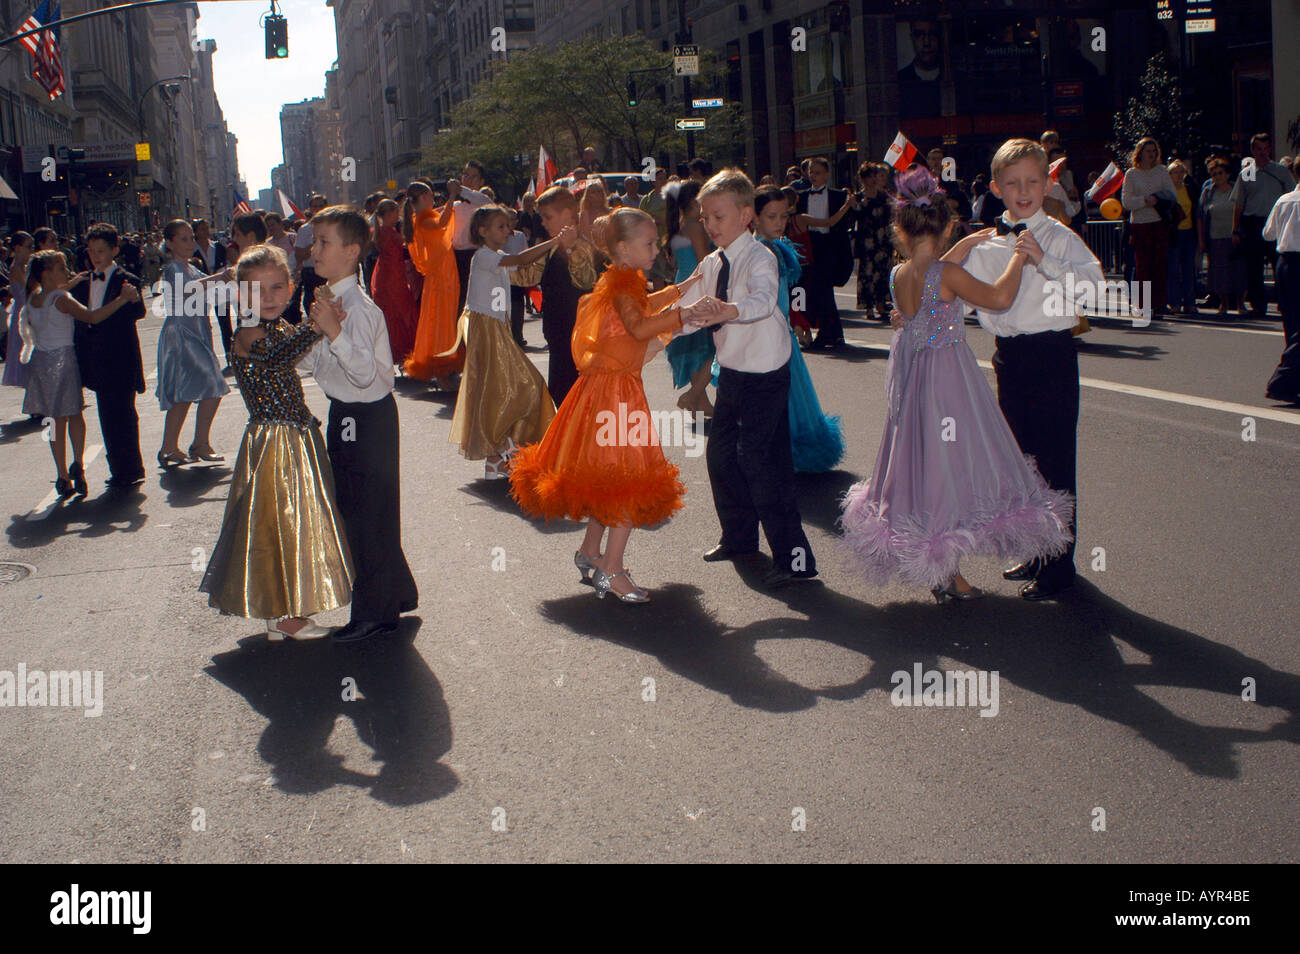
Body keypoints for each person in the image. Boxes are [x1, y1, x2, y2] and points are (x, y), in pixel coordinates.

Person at [839, 167, 1073, 600]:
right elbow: (999, 297)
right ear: (946, 224)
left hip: (913, 380)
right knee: (953, 466)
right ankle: (948, 572)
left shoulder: (899, 274)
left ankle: (942, 569)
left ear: (900, 229)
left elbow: (927, 292)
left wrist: (962, 245)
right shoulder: (946, 274)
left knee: (922, 465)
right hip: (948, 380)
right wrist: (1020, 257)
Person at [509, 208, 702, 602]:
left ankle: (590, 553)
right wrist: (685, 312)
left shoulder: (619, 278)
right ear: (622, 248)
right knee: (627, 479)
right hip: (617, 395)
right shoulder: (625, 284)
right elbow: (640, 325)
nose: (656, 249)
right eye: (649, 243)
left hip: (600, 390)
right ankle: (610, 569)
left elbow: (644, 307)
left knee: (606, 474)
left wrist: (682, 289)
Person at [943, 138, 1103, 600]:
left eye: (1033, 181)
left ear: (1048, 182)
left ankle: (1059, 566)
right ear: (996, 187)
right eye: (1012, 183)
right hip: (1008, 357)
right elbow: (956, 292)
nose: (1023, 190)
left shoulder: (1059, 236)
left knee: (1054, 461)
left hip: (1051, 355)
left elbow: (1095, 291)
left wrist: (1044, 261)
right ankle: (1035, 550)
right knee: (1022, 463)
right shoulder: (986, 243)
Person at [201, 244, 353, 641]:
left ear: (290, 288)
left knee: (293, 524)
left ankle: (282, 609)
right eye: (255, 291)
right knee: (279, 524)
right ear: (239, 295)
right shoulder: (249, 333)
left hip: (293, 435)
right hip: (274, 441)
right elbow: (281, 353)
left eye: (275, 288)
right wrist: (317, 325)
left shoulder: (279, 328)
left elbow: (297, 350)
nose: (266, 298)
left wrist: (325, 324)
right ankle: (283, 616)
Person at [678, 168, 819, 589]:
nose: (710, 225)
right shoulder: (711, 262)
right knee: (722, 457)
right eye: (705, 218)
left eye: (717, 217)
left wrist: (727, 310)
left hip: (767, 375)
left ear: (745, 216)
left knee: (763, 464)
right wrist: (650, 331)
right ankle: (739, 540)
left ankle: (795, 561)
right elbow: (687, 309)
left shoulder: (761, 257)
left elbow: (759, 300)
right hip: (735, 376)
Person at [297, 205, 418, 644]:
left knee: (367, 515)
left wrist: (333, 332)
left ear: (352, 251)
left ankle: (375, 613)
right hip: (346, 414)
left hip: (368, 417)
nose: (315, 249)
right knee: (360, 508)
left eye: (324, 242)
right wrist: (298, 345)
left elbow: (368, 375)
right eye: (314, 241)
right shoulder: (330, 301)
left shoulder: (360, 309)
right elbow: (317, 363)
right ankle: (397, 592)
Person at [447, 205, 561, 479]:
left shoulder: (495, 257)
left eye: (508, 226)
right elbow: (520, 260)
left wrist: (555, 251)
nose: (508, 231)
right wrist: (553, 242)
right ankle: (502, 450)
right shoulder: (484, 257)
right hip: (487, 329)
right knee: (522, 384)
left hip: (496, 328)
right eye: (501, 226)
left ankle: (499, 455)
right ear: (483, 231)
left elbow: (525, 272)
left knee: (499, 390)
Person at [19, 249, 140, 497]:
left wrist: (69, 283)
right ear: (48, 273)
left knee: (54, 419)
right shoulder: (62, 299)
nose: (68, 272)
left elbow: (50, 295)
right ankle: (78, 464)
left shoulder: (33, 299)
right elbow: (93, 317)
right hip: (64, 361)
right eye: (62, 268)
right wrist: (121, 300)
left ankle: (62, 473)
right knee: (74, 414)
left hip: (42, 363)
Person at [752, 185, 844, 472]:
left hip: (782, 332)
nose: (780, 223)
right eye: (772, 216)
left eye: (784, 215)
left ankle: (787, 450)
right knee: (775, 398)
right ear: (753, 218)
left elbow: (787, 294)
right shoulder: (756, 252)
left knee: (791, 394)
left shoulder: (776, 248)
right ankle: (777, 451)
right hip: (767, 336)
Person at [71, 224, 148, 487]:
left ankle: (131, 469)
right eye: (91, 251)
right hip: (96, 358)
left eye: (101, 251)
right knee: (107, 414)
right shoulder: (83, 280)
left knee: (124, 414)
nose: (95, 256)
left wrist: (132, 299)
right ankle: (118, 468)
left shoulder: (127, 279)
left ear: (114, 250)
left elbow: (139, 313)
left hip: (121, 356)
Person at [511, 185, 600, 406]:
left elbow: (585, 280)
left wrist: (569, 250)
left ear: (567, 214)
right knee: (561, 395)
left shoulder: (582, 246)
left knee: (575, 400)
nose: (543, 222)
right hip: (557, 334)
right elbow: (525, 275)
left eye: (548, 217)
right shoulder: (551, 247)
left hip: (578, 337)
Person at [155, 219, 231, 468]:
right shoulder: (173, 269)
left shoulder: (191, 268)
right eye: (184, 239)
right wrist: (221, 277)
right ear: (170, 242)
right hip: (182, 335)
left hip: (195, 333)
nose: (191, 243)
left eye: (191, 238)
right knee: (212, 383)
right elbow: (190, 290)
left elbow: (211, 292)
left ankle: (171, 447)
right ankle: (197, 443)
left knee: (184, 393)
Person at [402, 179, 464, 386]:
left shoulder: (420, 217)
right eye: (429, 195)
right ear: (421, 198)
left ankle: (445, 365)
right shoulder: (423, 219)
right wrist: (452, 197)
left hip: (444, 273)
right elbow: (442, 223)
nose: (432, 198)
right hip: (441, 276)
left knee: (443, 318)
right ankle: (443, 366)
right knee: (442, 319)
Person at [663, 179, 715, 416]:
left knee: (693, 348)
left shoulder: (679, 225)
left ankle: (700, 404)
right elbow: (705, 259)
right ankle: (695, 398)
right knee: (713, 349)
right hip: (698, 287)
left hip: (682, 287)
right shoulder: (694, 225)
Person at [797, 156, 857, 349]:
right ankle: (830, 333)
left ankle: (829, 334)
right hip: (810, 245)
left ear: (827, 175)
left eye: (818, 172)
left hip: (829, 247)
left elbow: (847, 220)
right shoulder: (802, 196)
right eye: (811, 172)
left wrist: (853, 204)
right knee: (816, 291)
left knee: (823, 290)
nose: (814, 176)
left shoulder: (839, 196)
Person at [1232, 133, 1291, 317]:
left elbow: (1291, 195)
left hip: (1276, 222)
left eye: (1266, 148)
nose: (1262, 152)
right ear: (1252, 151)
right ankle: (1258, 305)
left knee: (1279, 265)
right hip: (1253, 222)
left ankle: (1285, 303)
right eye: (1258, 149)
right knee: (1253, 267)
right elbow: (1239, 203)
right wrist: (1235, 229)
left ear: (1270, 150)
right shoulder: (1247, 173)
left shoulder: (1281, 171)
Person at [1121, 137, 1175, 317]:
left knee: (1159, 264)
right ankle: (1143, 304)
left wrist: (1158, 199)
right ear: (1140, 153)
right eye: (1148, 151)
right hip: (1139, 224)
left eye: (1154, 151)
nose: (1151, 154)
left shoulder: (1162, 171)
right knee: (1142, 265)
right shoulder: (1131, 174)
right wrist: (1144, 201)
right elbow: (1127, 202)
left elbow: (1171, 195)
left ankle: (1160, 303)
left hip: (1159, 222)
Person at [1264, 159, 1300, 403]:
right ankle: (1283, 379)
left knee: (1292, 323)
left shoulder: (1284, 199)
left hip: (1285, 263)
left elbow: (1268, 233)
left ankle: (1293, 380)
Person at [370, 197, 419, 367]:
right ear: (390, 214)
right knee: (402, 311)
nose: (398, 215)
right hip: (394, 277)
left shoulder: (381, 231)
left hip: (387, 275)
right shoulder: (390, 233)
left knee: (391, 313)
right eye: (396, 212)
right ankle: (404, 351)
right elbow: (408, 248)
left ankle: (393, 353)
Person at [1199, 159, 1245, 317]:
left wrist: (1238, 231)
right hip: (1215, 236)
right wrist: (1201, 239)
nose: (1217, 176)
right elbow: (1200, 215)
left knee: (1238, 271)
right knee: (1219, 272)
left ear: (1227, 174)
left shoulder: (1236, 189)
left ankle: (1240, 304)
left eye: (1220, 173)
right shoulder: (1208, 192)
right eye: (1214, 174)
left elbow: (1242, 210)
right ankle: (1223, 303)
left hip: (1234, 236)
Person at [451, 161, 494, 312]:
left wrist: (458, 188)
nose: (468, 179)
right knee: (460, 304)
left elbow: (471, 195)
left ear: (481, 181)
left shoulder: (484, 202)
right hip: (457, 258)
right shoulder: (454, 205)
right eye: (466, 175)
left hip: (477, 256)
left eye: (474, 177)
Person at [853, 161, 894, 321]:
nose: (871, 180)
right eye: (867, 177)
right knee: (867, 274)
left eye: (874, 176)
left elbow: (891, 217)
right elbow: (855, 218)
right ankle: (869, 307)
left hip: (883, 240)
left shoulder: (884, 196)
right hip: (866, 241)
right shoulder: (858, 197)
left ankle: (881, 304)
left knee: (883, 273)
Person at [288, 193, 328, 323]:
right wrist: (316, 243)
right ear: (310, 208)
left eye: (321, 206)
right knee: (313, 311)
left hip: (330, 272)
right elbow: (299, 256)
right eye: (315, 206)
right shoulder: (305, 230)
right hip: (311, 273)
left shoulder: (334, 227)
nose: (318, 209)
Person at [2, 231, 34, 393]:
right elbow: (30, 291)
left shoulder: (23, 267)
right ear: (17, 248)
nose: (31, 250)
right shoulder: (16, 268)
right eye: (28, 247)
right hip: (23, 317)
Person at [1166, 160, 1198, 317]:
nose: (1179, 175)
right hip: (1174, 233)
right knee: (1173, 270)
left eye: (1181, 172)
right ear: (1169, 175)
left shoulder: (1189, 190)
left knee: (1188, 269)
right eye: (1175, 172)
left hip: (1188, 232)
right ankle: (1174, 302)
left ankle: (1190, 302)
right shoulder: (1167, 191)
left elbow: (1196, 210)